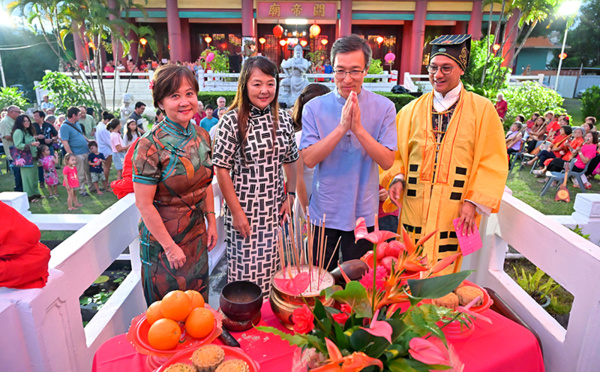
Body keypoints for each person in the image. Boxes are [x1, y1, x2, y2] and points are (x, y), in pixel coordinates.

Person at [384, 34, 508, 274]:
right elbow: (395, 153)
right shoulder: (410, 111)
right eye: (433, 67)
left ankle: (441, 309)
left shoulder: (482, 110)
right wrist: (397, 178)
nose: (437, 75)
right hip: (414, 206)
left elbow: (492, 161)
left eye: (446, 68)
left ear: (461, 69)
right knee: (410, 264)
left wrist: (473, 202)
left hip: (457, 206)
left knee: (445, 269)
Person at [300, 35, 397, 271]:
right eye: (340, 71)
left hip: (363, 210)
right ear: (332, 68)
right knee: (319, 278)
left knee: (359, 280)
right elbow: (310, 159)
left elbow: (386, 160)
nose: (347, 79)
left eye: (355, 71)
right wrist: (342, 128)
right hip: (324, 210)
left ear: (366, 70)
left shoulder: (384, 107)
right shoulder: (314, 107)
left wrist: (359, 130)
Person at [213, 56, 298, 295]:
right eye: (257, 84)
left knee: (275, 271)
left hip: (273, 211)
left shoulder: (283, 119)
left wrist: (290, 195)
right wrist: (237, 212)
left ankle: (269, 326)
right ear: (245, 85)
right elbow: (221, 168)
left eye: (270, 83)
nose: (264, 90)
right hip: (244, 212)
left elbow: (291, 160)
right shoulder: (231, 121)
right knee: (245, 276)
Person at [132, 64, 217, 305]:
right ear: (160, 102)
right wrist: (169, 247)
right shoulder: (149, 145)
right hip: (164, 245)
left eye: (189, 93)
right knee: (169, 316)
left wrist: (211, 221)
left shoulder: (202, 135)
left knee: (198, 309)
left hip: (196, 236)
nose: (184, 102)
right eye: (174, 96)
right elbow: (144, 203)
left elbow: (206, 181)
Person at [291, 83, 331, 248]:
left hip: (329, 202)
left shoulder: (332, 136)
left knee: (325, 252)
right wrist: (307, 208)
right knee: (306, 252)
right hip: (306, 202)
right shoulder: (299, 138)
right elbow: (297, 178)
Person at [60, 107, 91, 196]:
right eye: (79, 114)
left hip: (85, 151)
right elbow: (65, 141)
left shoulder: (77, 124)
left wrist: (88, 141)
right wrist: (71, 155)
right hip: (76, 153)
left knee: (88, 171)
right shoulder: (65, 126)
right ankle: (82, 190)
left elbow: (81, 134)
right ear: (73, 115)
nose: (80, 116)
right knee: (80, 172)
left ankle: (91, 187)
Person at [12, 114, 42, 202]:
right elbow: (18, 145)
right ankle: (29, 196)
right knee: (27, 178)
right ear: (20, 122)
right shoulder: (18, 131)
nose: (27, 123)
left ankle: (36, 193)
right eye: (24, 121)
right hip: (25, 158)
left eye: (28, 121)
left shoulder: (27, 131)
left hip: (33, 156)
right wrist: (31, 144)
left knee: (34, 176)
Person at [0, 105, 23, 191]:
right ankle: (19, 190)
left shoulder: (13, 121)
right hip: (12, 151)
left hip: (19, 150)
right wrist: (21, 139)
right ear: (11, 112)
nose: (19, 114)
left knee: (21, 172)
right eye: (18, 112)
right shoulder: (5, 122)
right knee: (18, 172)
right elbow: (7, 136)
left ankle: (23, 189)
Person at [95, 111, 115, 184]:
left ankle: (105, 182)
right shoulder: (103, 129)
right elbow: (108, 141)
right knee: (107, 167)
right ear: (107, 120)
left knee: (106, 167)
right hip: (106, 150)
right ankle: (105, 183)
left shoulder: (99, 126)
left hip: (103, 149)